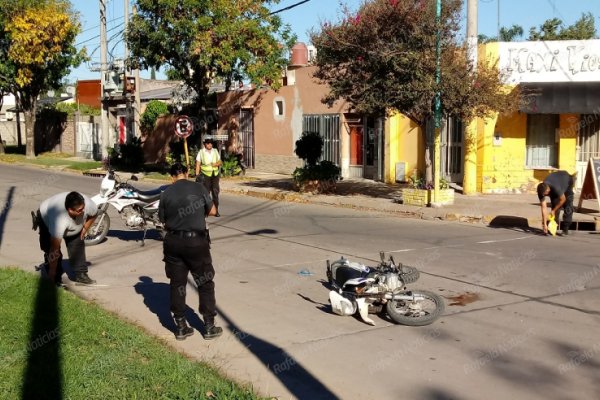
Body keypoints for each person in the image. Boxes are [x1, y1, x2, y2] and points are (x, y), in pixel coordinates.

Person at [159, 162, 223, 340]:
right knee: (204, 282)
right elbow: (212, 211)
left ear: (171, 176)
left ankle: (180, 326)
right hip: (196, 242)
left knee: (177, 284)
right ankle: (209, 325)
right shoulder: (199, 188)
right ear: (187, 173)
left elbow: (162, 220)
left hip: (173, 242)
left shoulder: (165, 194)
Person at [33, 191, 98, 286]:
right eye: (79, 210)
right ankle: (55, 277)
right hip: (46, 217)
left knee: (77, 244)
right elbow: (54, 249)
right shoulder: (59, 220)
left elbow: (94, 213)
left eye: (83, 208)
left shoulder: (87, 204)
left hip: (73, 225)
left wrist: (85, 228)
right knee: (50, 248)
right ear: (69, 210)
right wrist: (51, 275)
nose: (83, 211)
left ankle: (81, 274)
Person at [537, 170, 575, 236]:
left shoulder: (555, 188)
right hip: (557, 183)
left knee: (568, 206)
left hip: (567, 181)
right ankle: (553, 228)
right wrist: (544, 224)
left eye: (546, 194)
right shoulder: (541, 190)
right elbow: (543, 208)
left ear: (548, 190)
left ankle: (565, 229)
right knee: (555, 206)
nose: (546, 196)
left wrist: (553, 210)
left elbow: (563, 199)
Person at [195, 138, 222, 217]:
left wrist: (216, 164)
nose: (210, 145)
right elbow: (198, 164)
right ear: (205, 144)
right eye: (208, 143)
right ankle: (206, 211)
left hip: (215, 175)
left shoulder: (215, 151)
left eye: (211, 143)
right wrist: (197, 175)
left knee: (215, 192)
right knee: (206, 193)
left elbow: (220, 162)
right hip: (205, 175)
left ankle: (216, 210)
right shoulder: (201, 152)